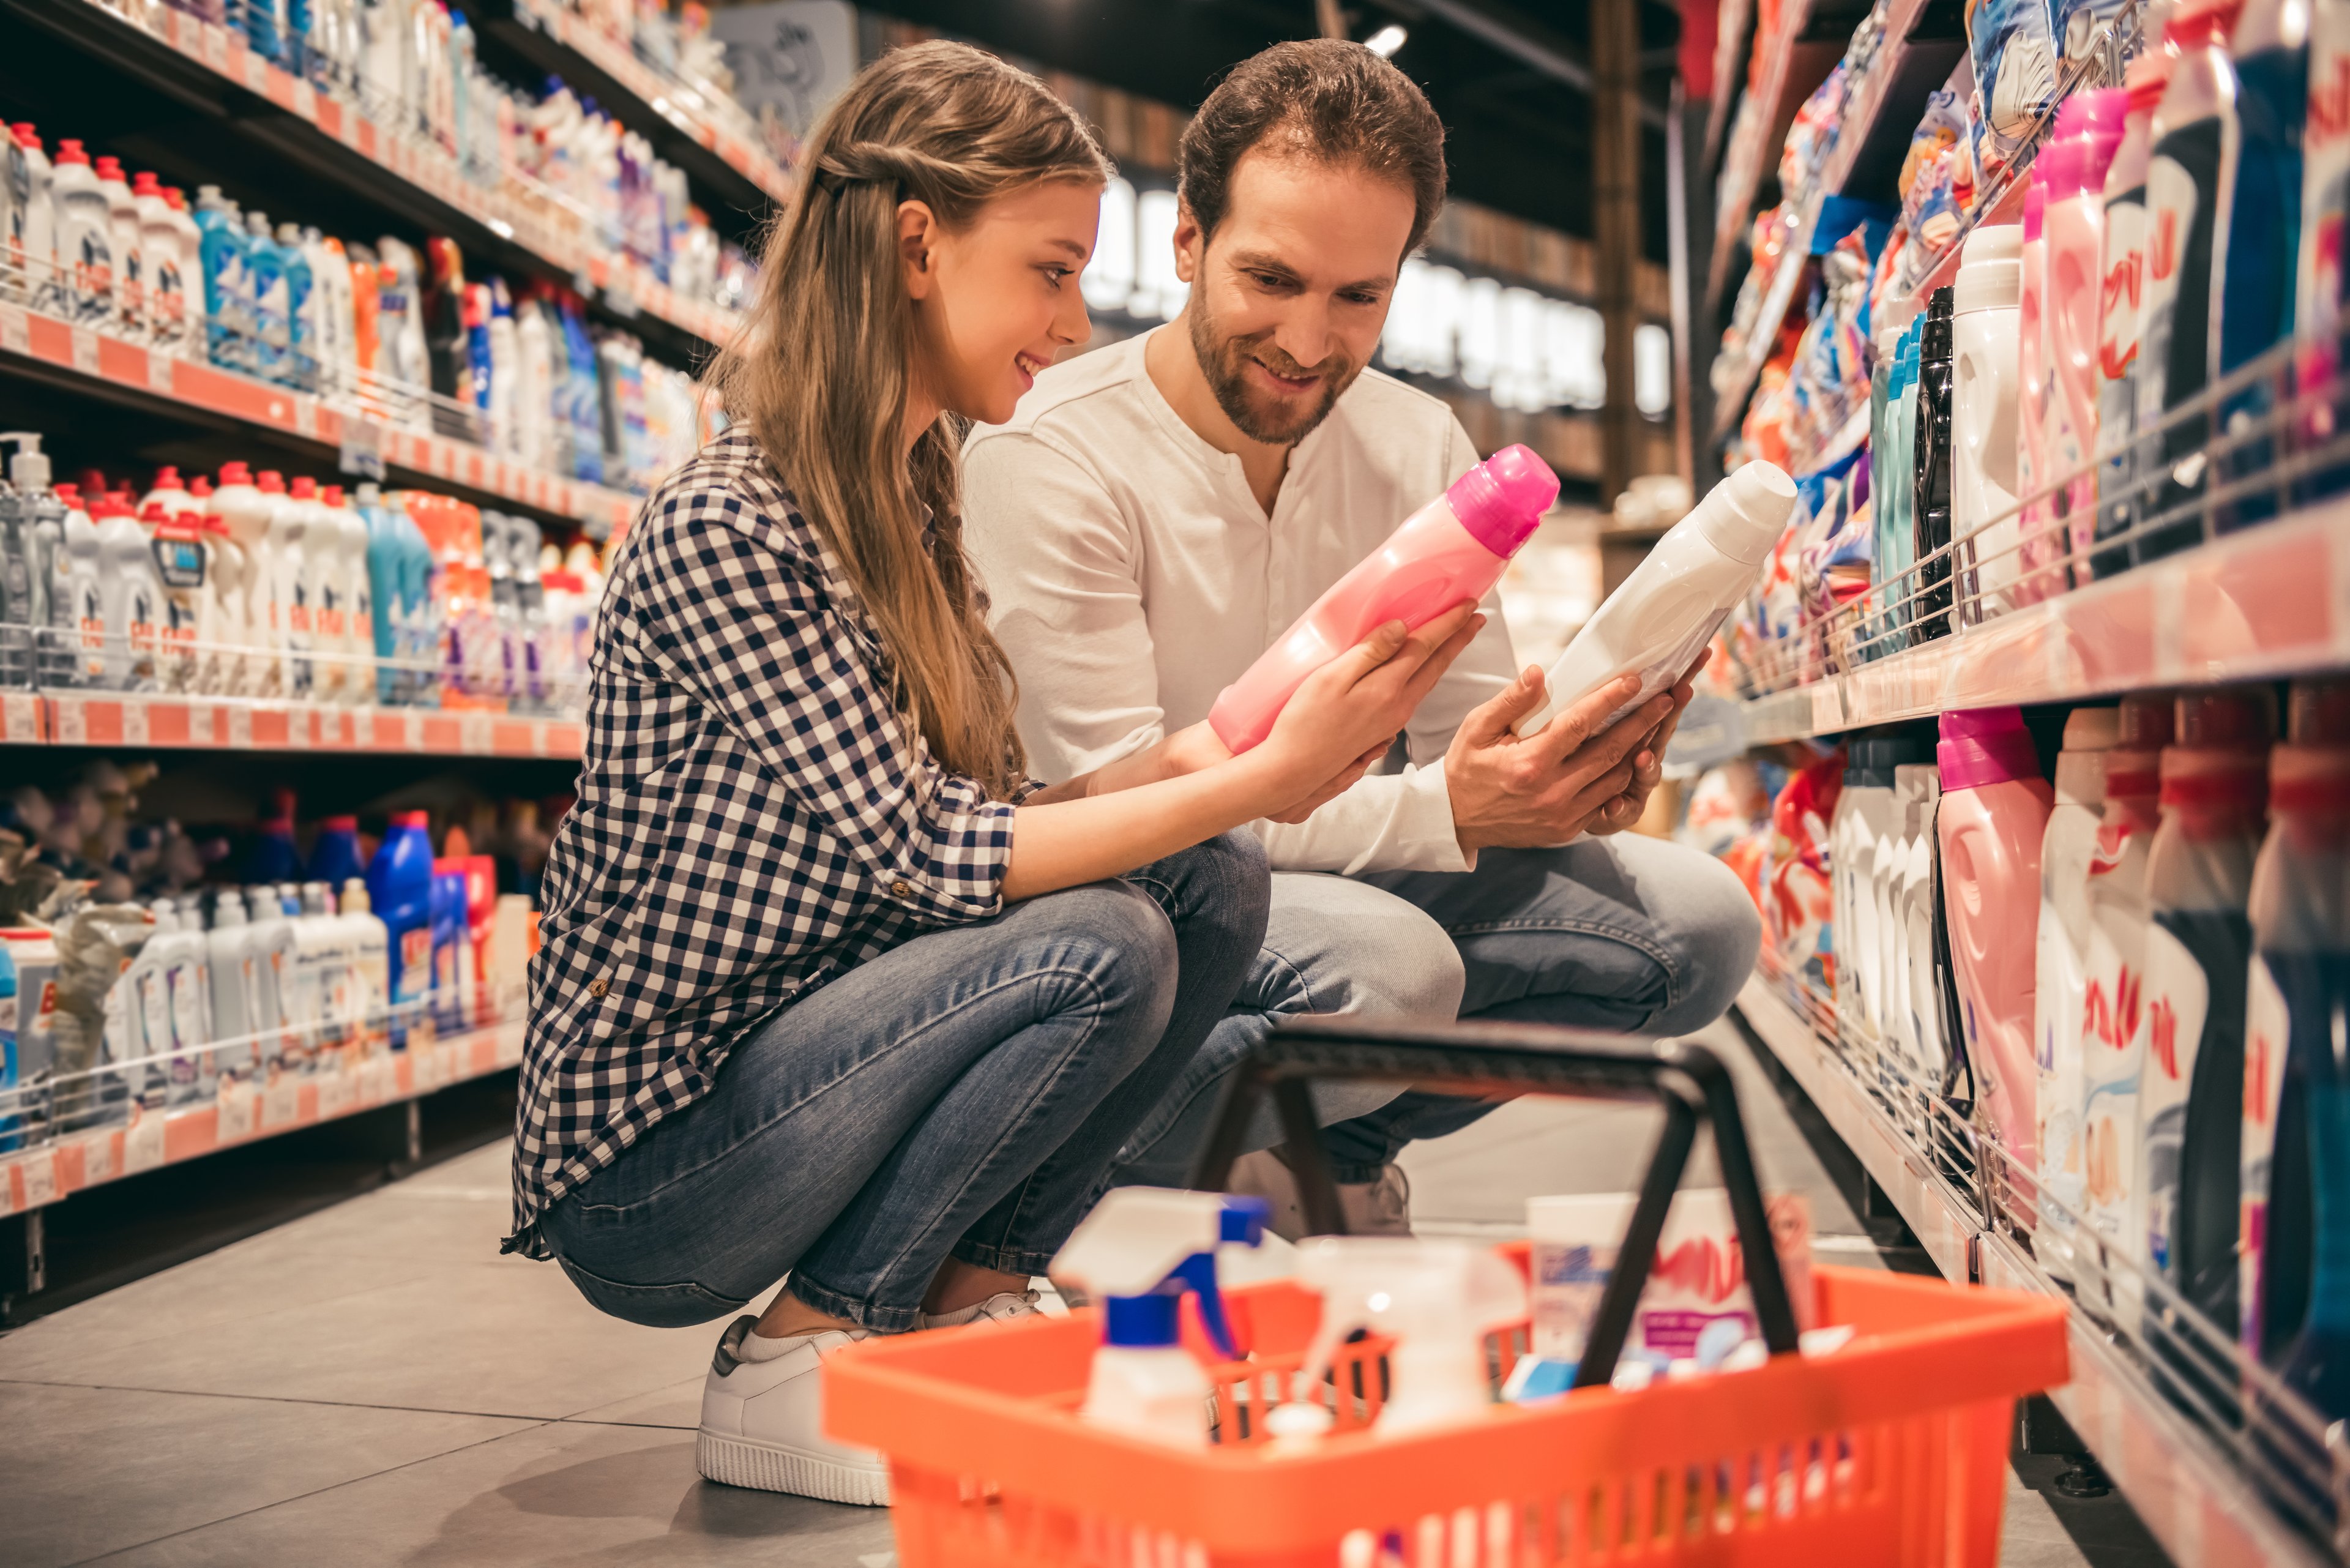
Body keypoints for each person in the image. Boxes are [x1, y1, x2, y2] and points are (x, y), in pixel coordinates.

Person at [506, 41, 1475, 1506]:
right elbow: (931, 852)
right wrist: (1261, 776)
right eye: (1049, 270)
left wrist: (1257, 743)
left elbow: (1015, 813)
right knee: (1101, 942)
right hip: (661, 1160)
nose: (1073, 319)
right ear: (917, 248)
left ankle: (966, 1305)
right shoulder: (735, 522)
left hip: (812, 1056)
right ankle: (800, 1351)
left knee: (1203, 884)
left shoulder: (910, 494)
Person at [963, 39, 1762, 1229]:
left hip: (1346, 879)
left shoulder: (1417, 441)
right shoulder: (1053, 453)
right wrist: (1448, 812)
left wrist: (1564, 770)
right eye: (1271, 280)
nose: (1306, 340)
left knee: (1701, 927)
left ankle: (1325, 1150)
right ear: (1187, 241)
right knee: (1391, 968)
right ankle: (1085, 1176)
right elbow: (1116, 822)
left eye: (1358, 298)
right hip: (1135, 908)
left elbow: (1470, 744)